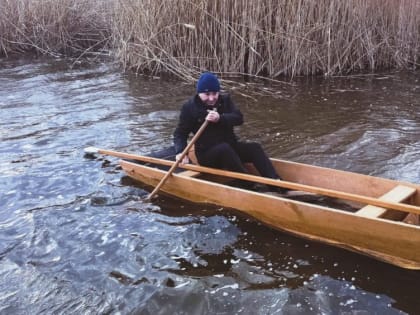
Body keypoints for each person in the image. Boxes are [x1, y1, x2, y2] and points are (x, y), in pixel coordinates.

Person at [173, 71, 288, 193]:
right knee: (224, 149)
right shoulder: (189, 108)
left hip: (231, 147)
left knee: (254, 148)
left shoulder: (225, 101)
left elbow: (239, 118)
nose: (211, 98)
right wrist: (181, 152)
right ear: (199, 93)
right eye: (207, 94)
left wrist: (220, 118)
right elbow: (180, 133)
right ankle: (249, 186)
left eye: (214, 93)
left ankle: (275, 183)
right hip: (208, 156)